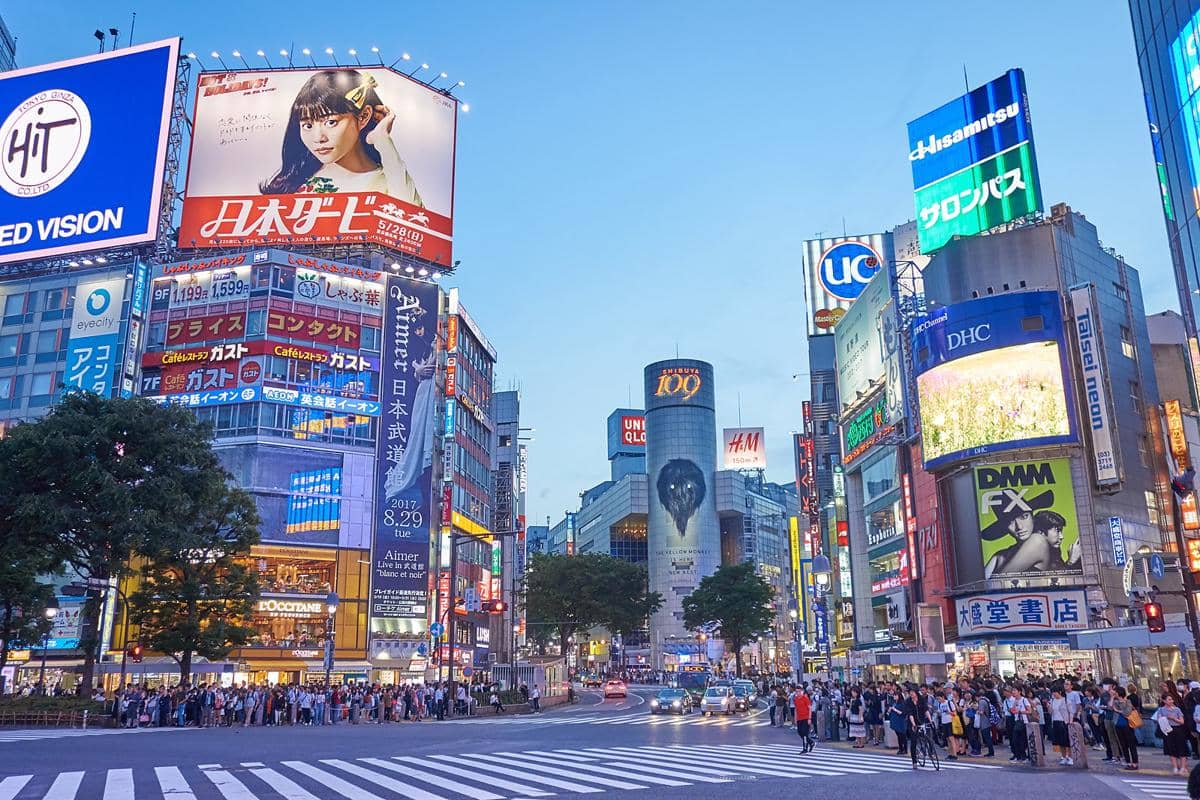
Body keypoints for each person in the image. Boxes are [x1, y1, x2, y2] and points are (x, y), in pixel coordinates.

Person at [260, 69, 424, 205]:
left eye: (331, 122)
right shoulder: (292, 183)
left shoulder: (388, 182)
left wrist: (382, 140)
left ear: (363, 116)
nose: (318, 138)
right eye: (308, 126)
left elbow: (415, 226)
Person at [1158, 693, 1190, 775]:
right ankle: (1175, 767)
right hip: (1168, 729)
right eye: (1169, 699)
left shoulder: (1177, 709)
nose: (1171, 701)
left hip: (1178, 729)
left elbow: (1182, 721)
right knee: (1171, 749)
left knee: (1182, 748)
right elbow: (1159, 719)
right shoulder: (1161, 710)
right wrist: (1164, 719)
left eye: (1171, 699)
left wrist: (1174, 719)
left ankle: (1183, 767)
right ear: (1164, 701)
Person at [1049, 686, 1073, 766]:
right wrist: (1049, 706)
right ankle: (1063, 757)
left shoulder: (1066, 700)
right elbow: (1051, 712)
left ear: (1059, 692)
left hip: (1064, 722)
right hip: (1055, 721)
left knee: (1066, 741)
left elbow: (1071, 712)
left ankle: (1070, 757)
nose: (1054, 694)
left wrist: (1070, 722)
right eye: (1053, 692)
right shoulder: (1053, 701)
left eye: (1055, 692)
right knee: (1060, 741)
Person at [794, 684, 813, 752]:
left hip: (806, 717)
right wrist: (795, 719)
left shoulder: (805, 698)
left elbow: (809, 708)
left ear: (802, 691)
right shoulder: (796, 699)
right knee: (800, 732)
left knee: (805, 733)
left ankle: (805, 748)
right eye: (796, 691)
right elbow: (796, 709)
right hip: (799, 718)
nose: (798, 693)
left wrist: (809, 718)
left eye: (799, 691)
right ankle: (811, 742)